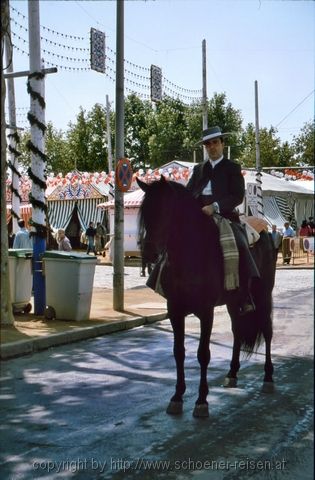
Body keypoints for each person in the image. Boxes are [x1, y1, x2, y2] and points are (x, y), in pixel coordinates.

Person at [186, 126, 259, 315]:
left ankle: (245, 294)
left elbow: (237, 196)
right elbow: (188, 194)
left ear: (222, 144)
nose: (212, 147)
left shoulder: (232, 168)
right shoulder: (198, 169)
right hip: (198, 215)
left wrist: (215, 206)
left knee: (239, 242)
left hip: (225, 215)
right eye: (208, 144)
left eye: (215, 142)